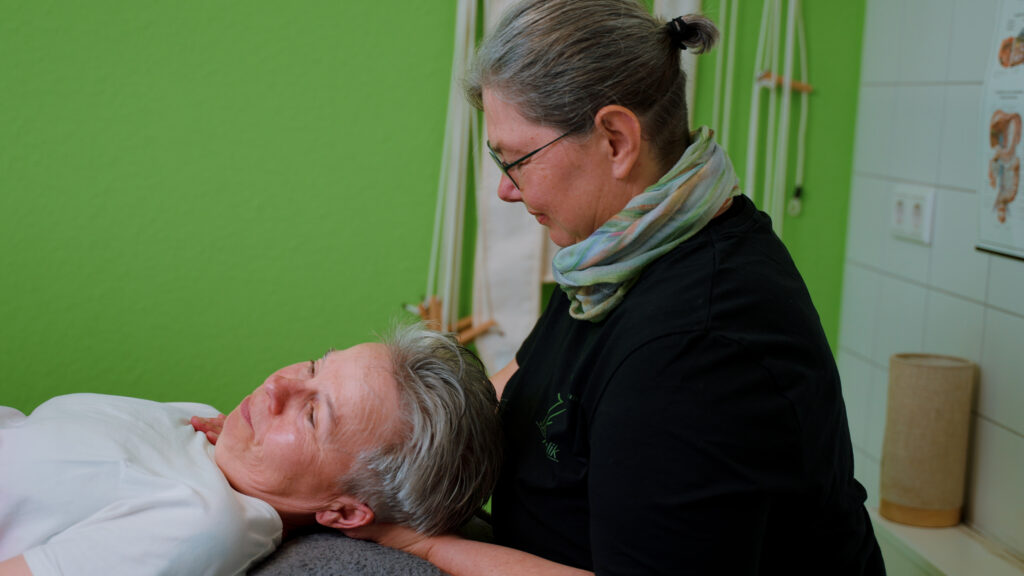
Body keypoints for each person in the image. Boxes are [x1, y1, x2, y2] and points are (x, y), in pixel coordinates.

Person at [344, 1, 886, 575]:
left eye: (516, 161)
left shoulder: (697, 344)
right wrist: (351, 458)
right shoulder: (613, 256)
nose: (506, 190)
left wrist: (422, 544)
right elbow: (518, 382)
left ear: (617, 140)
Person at [0, 324, 501, 576]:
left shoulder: (201, 522)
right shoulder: (211, 434)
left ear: (344, 512)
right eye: (313, 366)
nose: (276, 386)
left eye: (312, 415)